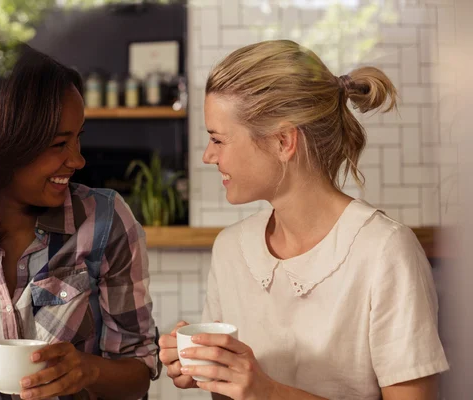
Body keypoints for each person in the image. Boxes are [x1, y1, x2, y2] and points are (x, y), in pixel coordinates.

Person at [159, 40, 449, 400]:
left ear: (283, 141)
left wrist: (267, 393)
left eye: (218, 139)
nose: (207, 155)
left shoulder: (385, 250)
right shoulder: (231, 248)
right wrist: (209, 368)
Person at [0, 43, 160, 400]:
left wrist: (88, 370)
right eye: (58, 144)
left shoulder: (104, 221)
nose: (77, 160)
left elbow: (139, 371)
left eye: (78, 138)